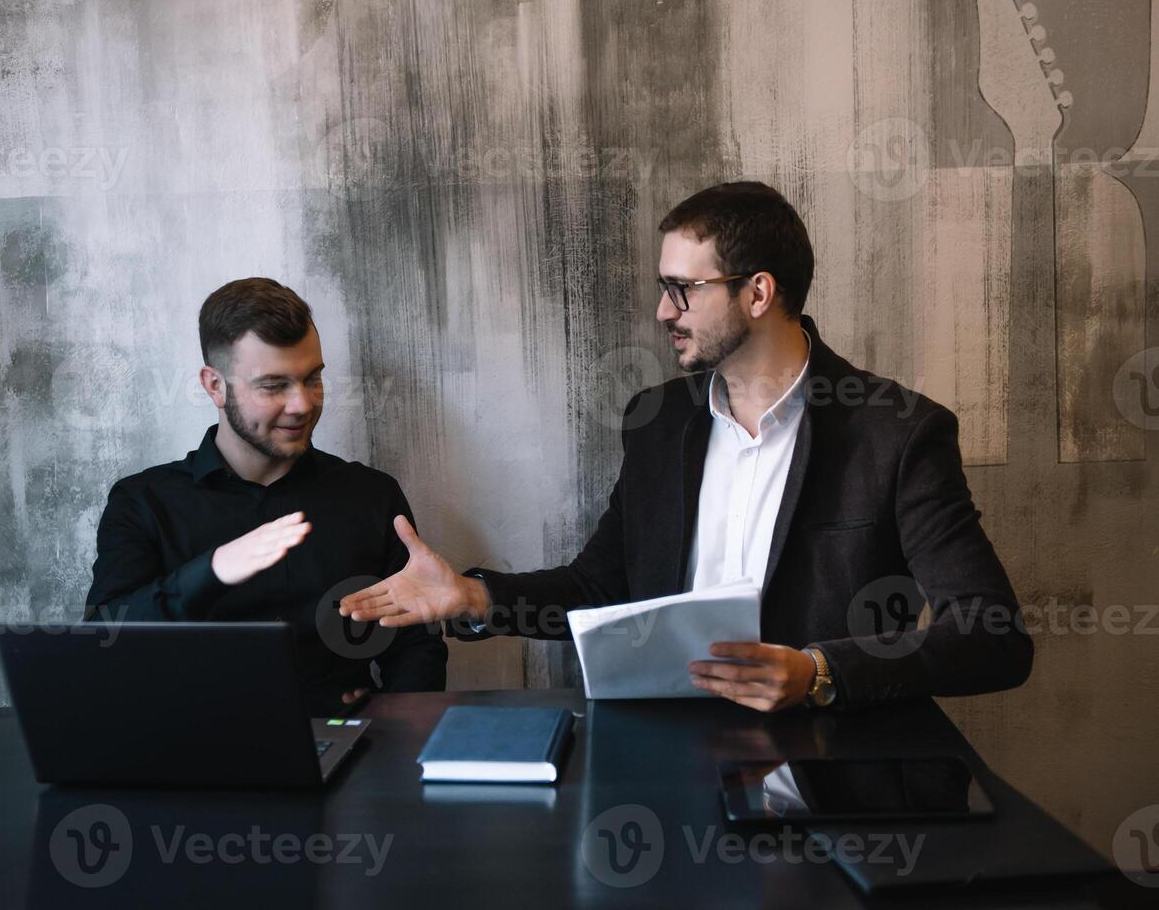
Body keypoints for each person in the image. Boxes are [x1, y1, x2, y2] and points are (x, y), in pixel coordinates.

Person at [340, 181, 1033, 712]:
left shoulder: (897, 432)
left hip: (834, 765)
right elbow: (601, 588)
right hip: (664, 757)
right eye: (663, 288)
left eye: (683, 289)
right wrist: (473, 597)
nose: (662, 311)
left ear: (758, 292)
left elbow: (990, 637)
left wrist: (819, 674)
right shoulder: (658, 420)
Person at [87, 277, 447, 713]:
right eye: (274, 385)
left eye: (312, 379)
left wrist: (391, 722)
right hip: (188, 758)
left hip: (350, 752)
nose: (301, 404)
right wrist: (212, 570)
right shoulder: (142, 502)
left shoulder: (371, 495)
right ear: (215, 386)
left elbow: (415, 644)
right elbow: (104, 643)